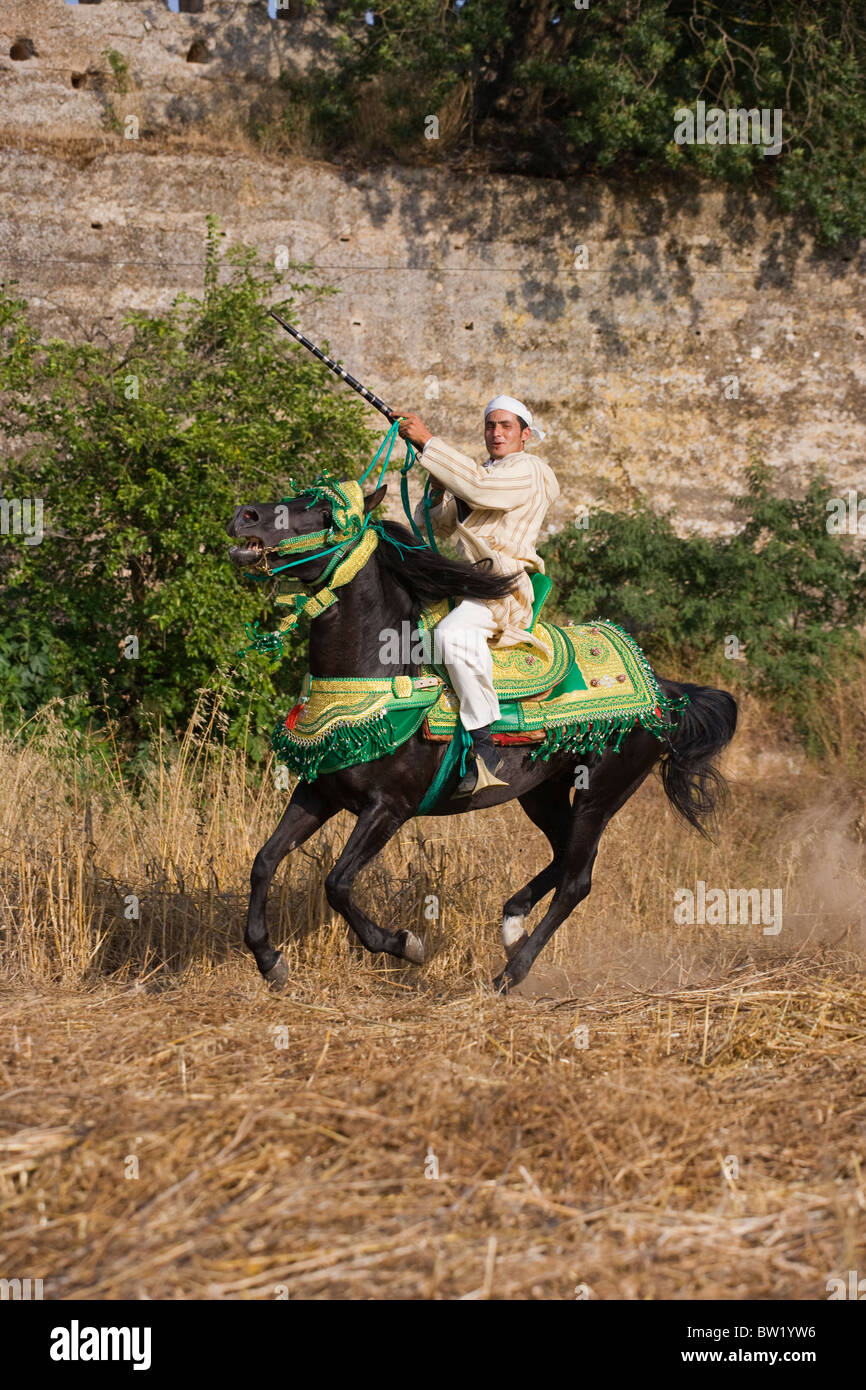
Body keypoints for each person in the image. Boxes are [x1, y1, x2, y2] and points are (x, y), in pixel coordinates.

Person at [395, 396, 560, 797]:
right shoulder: (484, 471)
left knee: (452, 635)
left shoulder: (529, 470)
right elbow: (434, 526)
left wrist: (428, 443)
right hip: (468, 582)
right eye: (490, 425)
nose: (496, 432)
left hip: (503, 585)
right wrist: (435, 492)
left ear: (525, 435)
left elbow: (481, 490)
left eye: (505, 426)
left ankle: (484, 749)